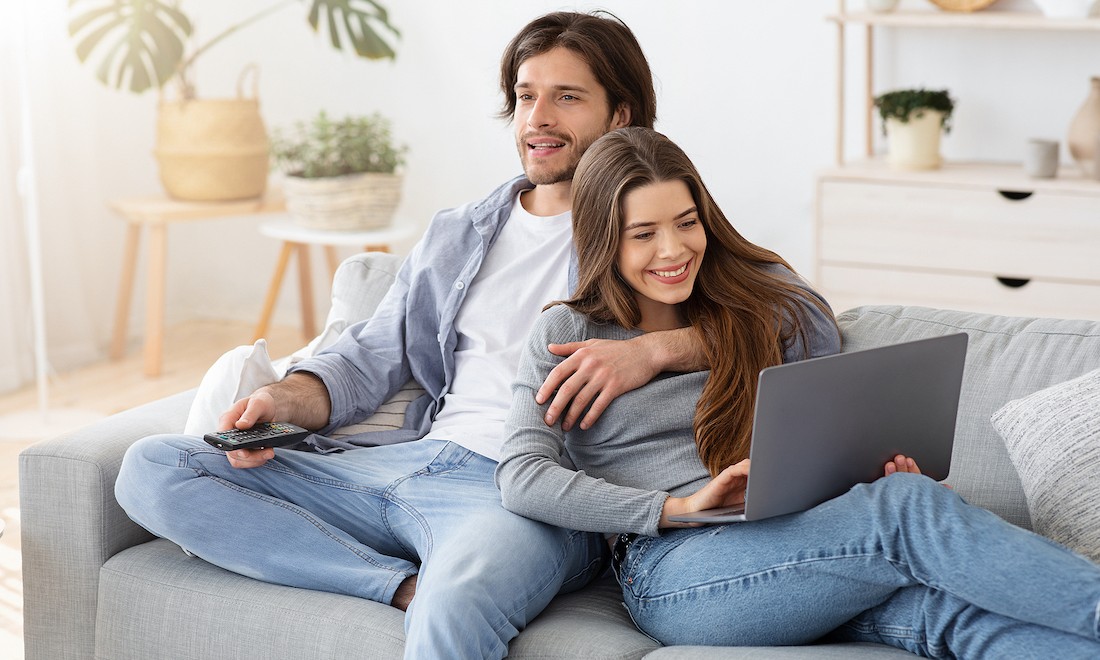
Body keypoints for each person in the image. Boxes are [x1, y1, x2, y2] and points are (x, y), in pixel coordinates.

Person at [113, 12, 696, 660]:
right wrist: (281, 402)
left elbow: (784, 320)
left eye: (567, 96)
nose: (537, 117)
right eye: (527, 95)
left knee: (459, 605)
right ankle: (396, 587)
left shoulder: (657, 234)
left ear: (620, 115)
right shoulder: (460, 232)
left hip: (521, 492)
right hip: (402, 462)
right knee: (153, 468)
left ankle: (435, 590)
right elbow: (369, 359)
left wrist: (657, 349)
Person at [496, 126, 1100, 657]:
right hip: (678, 570)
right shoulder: (567, 333)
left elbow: (814, 323)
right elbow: (521, 475)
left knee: (949, 614)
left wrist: (656, 350)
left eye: (686, 223)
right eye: (643, 234)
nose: (674, 250)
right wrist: (672, 510)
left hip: (798, 535)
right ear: (604, 239)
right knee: (906, 514)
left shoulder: (750, 293)